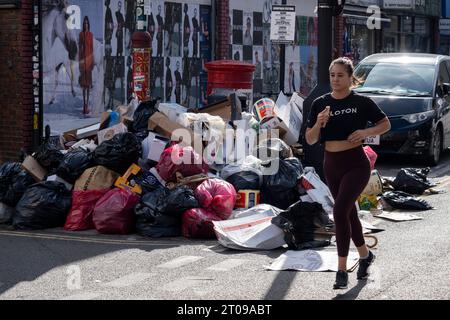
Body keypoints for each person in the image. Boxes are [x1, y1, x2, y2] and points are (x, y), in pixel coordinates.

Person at [305, 57, 391, 290]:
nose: (335, 79)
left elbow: (385, 124)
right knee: (349, 214)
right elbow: (310, 139)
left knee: (340, 210)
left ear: (350, 77)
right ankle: (365, 256)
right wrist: (319, 124)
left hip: (356, 164)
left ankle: (341, 270)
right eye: (332, 75)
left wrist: (366, 131)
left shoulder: (361, 102)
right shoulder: (320, 104)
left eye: (340, 75)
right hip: (331, 164)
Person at [79, 16, 94, 115]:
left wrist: (92, 62)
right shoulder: (81, 34)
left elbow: (92, 49)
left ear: (88, 24)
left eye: (87, 23)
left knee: (88, 85)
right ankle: (84, 104)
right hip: (83, 61)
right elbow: (80, 48)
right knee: (83, 86)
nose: (85, 25)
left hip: (89, 61)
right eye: (84, 24)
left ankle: (87, 104)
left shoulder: (90, 35)